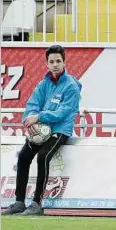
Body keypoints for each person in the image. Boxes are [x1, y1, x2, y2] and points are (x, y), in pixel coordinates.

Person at [3, 45, 82, 216]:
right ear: (46, 63)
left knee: (42, 156)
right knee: (23, 156)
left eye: (58, 61)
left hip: (60, 130)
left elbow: (64, 112)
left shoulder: (71, 86)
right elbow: (32, 105)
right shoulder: (43, 84)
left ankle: (37, 203)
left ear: (64, 62)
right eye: (51, 61)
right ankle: (18, 202)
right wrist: (31, 118)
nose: (55, 64)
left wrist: (39, 117)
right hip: (41, 130)